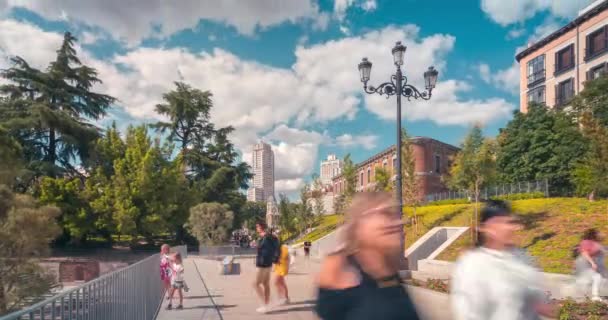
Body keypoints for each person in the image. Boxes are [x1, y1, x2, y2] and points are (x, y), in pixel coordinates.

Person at [315, 192, 421, 320]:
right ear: (359, 224)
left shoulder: (390, 273)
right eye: (385, 213)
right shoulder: (340, 270)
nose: (397, 222)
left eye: (395, 215)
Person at [451, 200, 557, 320]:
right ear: (485, 228)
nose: (508, 227)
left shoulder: (523, 257)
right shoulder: (472, 263)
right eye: (500, 222)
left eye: (510, 222)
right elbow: (468, 313)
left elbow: (538, 297)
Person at [253, 221, 278, 313]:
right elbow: (275, 247)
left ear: (261, 227)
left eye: (257, 226)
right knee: (265, 284)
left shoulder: (265, 237)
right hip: (269, 263)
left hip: (262, 264)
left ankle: (264, 304)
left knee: (255, 284)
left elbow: (264, 249)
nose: (256, 228)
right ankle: (267, 304)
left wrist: (257, 246)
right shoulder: (271, 236)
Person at [575, 228, 605, 301]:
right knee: (597, 277)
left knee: (588, 280)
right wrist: (592, 263)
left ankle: (579, 293)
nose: (601, 234)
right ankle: (594, 296)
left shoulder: (595, 243)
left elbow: (601, 251)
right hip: (584, 263)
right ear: (594, 234)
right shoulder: (586, 242)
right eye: (599, 233)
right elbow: (584, 253)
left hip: (590, 264)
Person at [274, 241, 291, 306]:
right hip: (279, 267)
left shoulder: (284, 248)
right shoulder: (275, 248)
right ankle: (285, 298)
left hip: (282, 267)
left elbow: (287, 257)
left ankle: (282, 298)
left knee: (277, 282)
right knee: (281, 282)